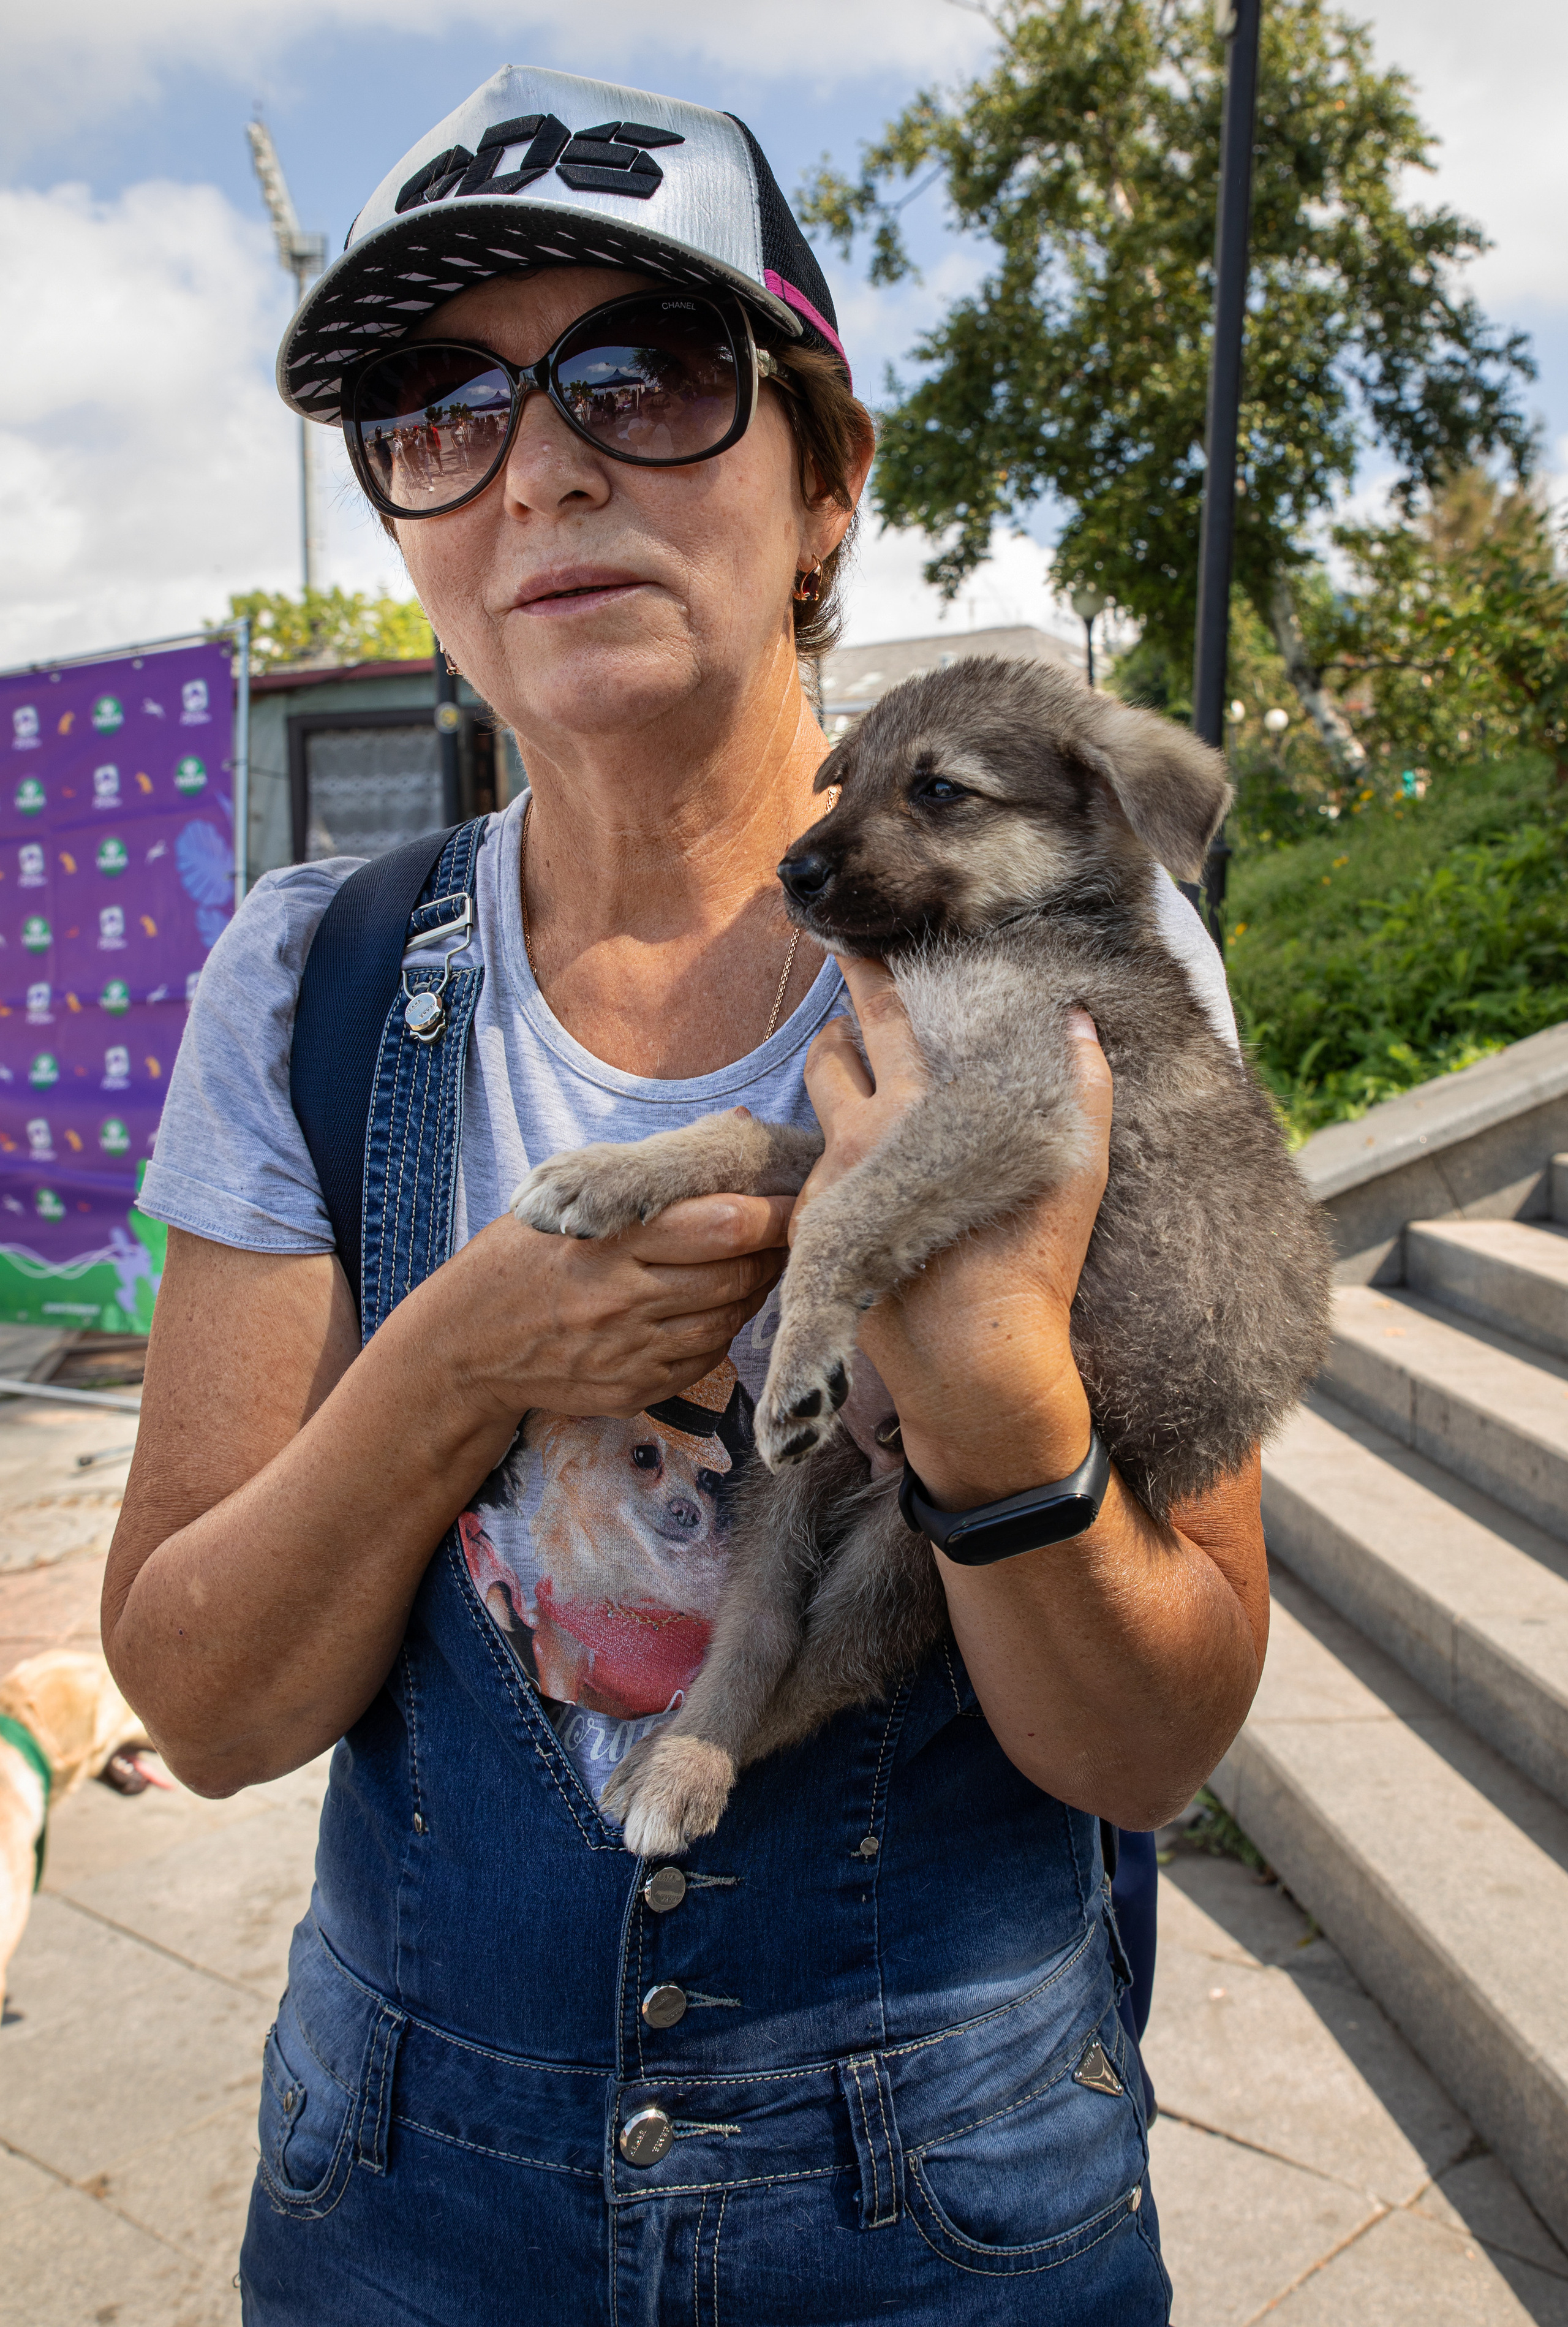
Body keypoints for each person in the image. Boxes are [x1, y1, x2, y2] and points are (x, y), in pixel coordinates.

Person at [104, 66, 1267, 2325]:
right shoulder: (303, 985)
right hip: (404, 2215)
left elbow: (1154, 1743)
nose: (538, 467)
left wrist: (988, 1391)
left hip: (950, 2213)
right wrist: (460, 1361)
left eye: (639, 376)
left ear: (826, 480)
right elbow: (207, 1708)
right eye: (438, 412)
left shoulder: (1099, 971)